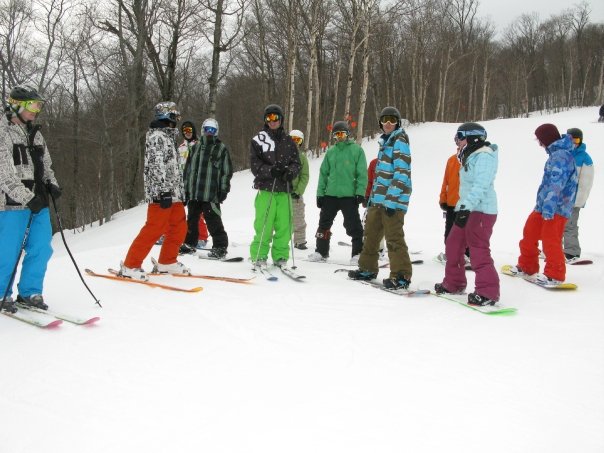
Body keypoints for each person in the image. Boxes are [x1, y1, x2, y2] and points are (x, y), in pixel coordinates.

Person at [0, 85, 60, 314]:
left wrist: (51, 184)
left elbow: (46, 165)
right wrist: (26, 197)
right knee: (8, 250)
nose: (37, 110)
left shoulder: (35, 133)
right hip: (11, 204)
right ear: (17, 105)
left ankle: (30, 292)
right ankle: (2, 293)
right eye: (33, 105)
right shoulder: (3, 131)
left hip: (39, 201)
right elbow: (3, 174)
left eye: (39, 105)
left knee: (41, 248)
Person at [119, 101, 189, 280]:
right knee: (154, 228)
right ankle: (130, 265)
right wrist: (162, 191)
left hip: (174, 194)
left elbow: (173, 168)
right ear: (166, 116)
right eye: (174, 116)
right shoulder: (157, 136)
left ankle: (167, 261)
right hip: (161, 194)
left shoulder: (168, 137)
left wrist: (181, 192)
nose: (176, 120)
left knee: (179, 227)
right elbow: (156, 166)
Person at [434, 122, 500, 306]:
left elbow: (481, 185)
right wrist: (462, 208)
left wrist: (466, 207)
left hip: (481, 211)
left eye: (460, 137)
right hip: (468, 209)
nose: (457, 141)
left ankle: (488, 292)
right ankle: (454, 283)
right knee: (453, 244)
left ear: (472, 137)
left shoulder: (484, 156)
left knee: (478, 250)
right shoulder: (471, 156)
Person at [348, 107, 411, 288]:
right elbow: (381, 175)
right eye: (385, 120)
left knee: (393, 237)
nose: (388, 123)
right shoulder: (386, 142)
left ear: (397, 122)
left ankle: (401, 275)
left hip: (393, 201)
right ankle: (367, 268)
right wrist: (372, 198)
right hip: (379, 200)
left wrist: (391, 200)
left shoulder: (400, 141)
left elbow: (402, 173)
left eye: (392, 120)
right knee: (371, 235)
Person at [508, 123, 577, 284]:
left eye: (539, 140)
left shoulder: (561, 156)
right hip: (543, 206)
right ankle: (527, 266)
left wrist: (549, 207)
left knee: (550, 240)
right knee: (529, 233)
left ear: (546, 139)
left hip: (556, 208)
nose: (539, 143)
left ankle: (555, 274)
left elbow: (556, 184)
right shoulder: (555, 154)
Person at [308, 121, 367, 264]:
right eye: (337, 135)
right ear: (334, 136)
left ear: (348, 134)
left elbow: (362, 174)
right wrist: (320, 194)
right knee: (324, 223)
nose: (340, 137)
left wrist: (360, 192)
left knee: (353, 225)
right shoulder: (331, 152)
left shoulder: (356, 150)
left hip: (349, 196)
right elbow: (323, 174)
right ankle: (321, 252)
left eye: (342, 134)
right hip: (331, 195)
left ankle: (357, 253)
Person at [249, 104, 301, 267]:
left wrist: (290, 172)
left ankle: (280, 255)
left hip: (284, 190)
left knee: (284, 225)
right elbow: (254, 164)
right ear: (265, 120)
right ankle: (259, 255)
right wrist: (271, 171)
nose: (272, 121)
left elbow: (296, 163)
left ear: (281, 119)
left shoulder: (289, 141)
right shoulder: (259, 139)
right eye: (269, 118)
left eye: (275, 117)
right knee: (264, 224)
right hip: (266, 189)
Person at [181, 118, 233, 258]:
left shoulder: (221, 148)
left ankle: (220, 247)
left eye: (212, 130)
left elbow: (226, 171)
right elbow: (188, 170)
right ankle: (189, 243)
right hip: (194, 192)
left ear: (216, 132)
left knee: (213, 221)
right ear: (203, 130)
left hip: (211, 193)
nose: (209, 132)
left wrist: (223, 189)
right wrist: (185, 190)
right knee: (191, 220)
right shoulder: (195, 148)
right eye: (207, 129)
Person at [437, 137, 470, 265]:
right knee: (450, 232)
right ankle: (451, 254)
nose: (461, 143)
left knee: (466, 231)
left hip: (467, 204)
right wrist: (443, 198)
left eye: (464, 140)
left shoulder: (473, 159)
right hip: (451, 204)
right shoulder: (451, 160)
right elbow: (446, 182)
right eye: (459, 140)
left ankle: (467, 255)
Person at [563, 128, 594, 263]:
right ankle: (551, 250)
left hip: (573, 199)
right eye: (571, 140)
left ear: (581, 140)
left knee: (569, 225)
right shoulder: (563, 154)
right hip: (560, 198)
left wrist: (579, 201)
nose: (574, 143)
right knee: (554, 224)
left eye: (576, 140)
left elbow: (586, 182)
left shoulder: (584, 158)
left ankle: (572, 252)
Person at [178, 121, 209, 250]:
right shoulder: (181, 147)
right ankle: (177, 235)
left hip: (195, 183)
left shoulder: (199, 145)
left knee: (196, 212)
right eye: (184, 131)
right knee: (177, 211)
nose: (187, 133)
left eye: (189, 130)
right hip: (182, 182)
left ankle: (201, 237)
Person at [289, 129, 310, 250]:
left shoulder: (302, 157)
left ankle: (300, 241)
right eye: (292, 140)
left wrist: (298, 191)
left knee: (298, 218)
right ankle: (278, 239)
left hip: (295, 194)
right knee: (280, 218)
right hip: (282, 193)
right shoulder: (282, 155)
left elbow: (305, 176)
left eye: (297, 140)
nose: (294, 143)